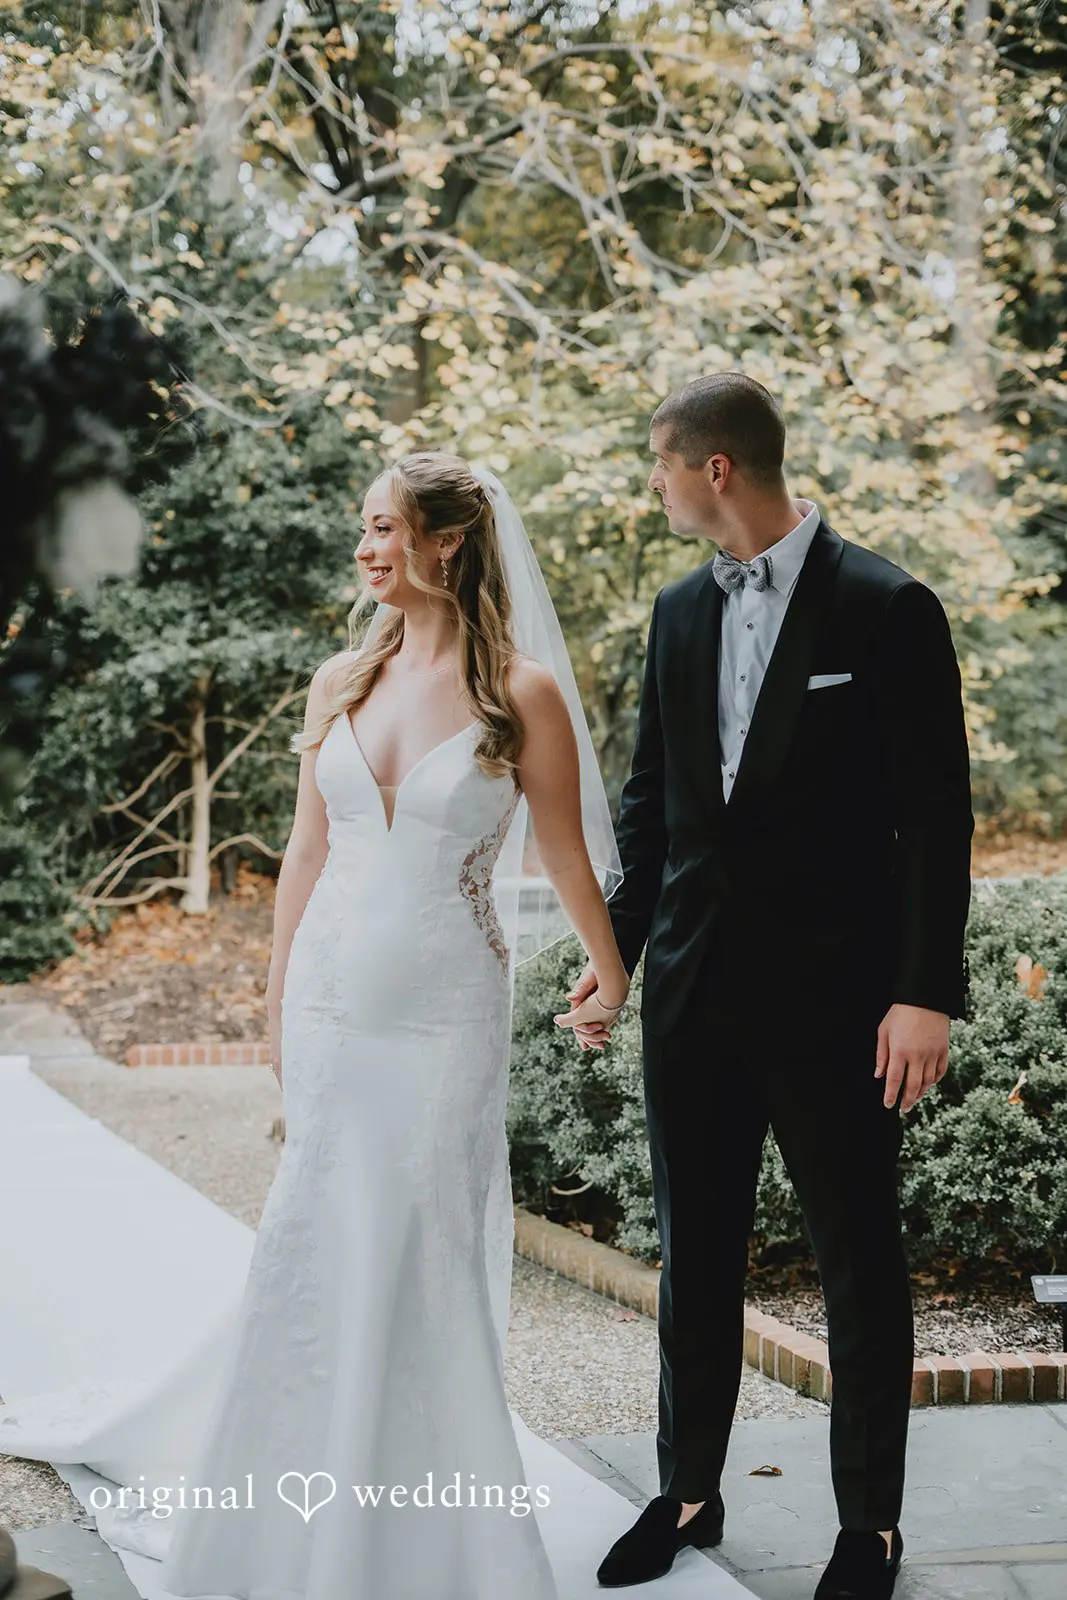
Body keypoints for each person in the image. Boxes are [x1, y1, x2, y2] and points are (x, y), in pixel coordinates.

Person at [559, 374, 974, 1600]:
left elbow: (935, 820)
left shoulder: (886, 606)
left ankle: (868, 1528)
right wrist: (615, 956)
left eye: (659, 464)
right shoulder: (677, 613)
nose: (654, 483)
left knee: (856, 1256)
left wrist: (924, 993)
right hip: (693, 994)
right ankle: (685, 1489)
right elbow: (652, 807)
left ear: (716, 469)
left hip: (843, 1004)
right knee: (694, 1253)